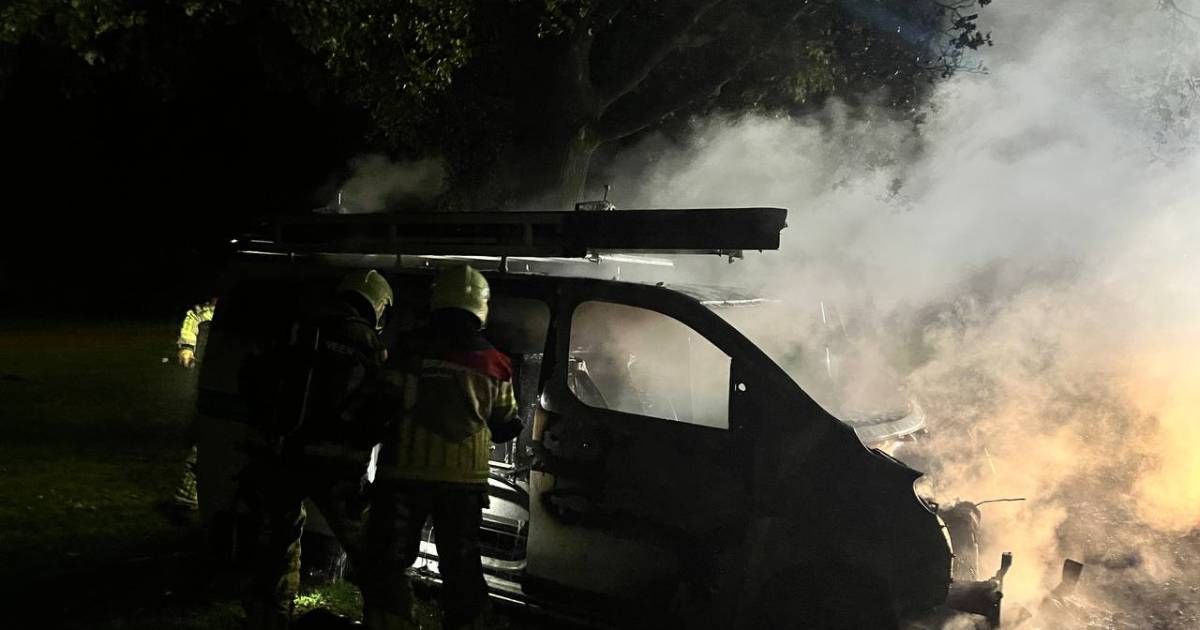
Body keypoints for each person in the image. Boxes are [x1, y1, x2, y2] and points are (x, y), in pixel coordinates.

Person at [361, 265, 522, 630]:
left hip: (402, 476)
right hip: (463, 486)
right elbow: (505, 426)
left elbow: (380, 405)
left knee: (387, 560)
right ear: (481, 306)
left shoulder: (407, 350)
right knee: (461, 567)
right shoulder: (496, 364)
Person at [236, 269, 393, 630]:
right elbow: (379, 404)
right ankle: (386, 618)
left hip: (283, 454)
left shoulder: (301, 327)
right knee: (370, 550)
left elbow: (253, 375)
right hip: (339, 465)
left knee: (278, 542)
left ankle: (268, 618)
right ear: (377, 304)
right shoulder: (367, 342)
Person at [169, 298, 218, 516]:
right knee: (208, 437)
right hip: (216, 383)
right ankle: (187, 495)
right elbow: (196, 315)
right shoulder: (219, 307)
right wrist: (187, 346)